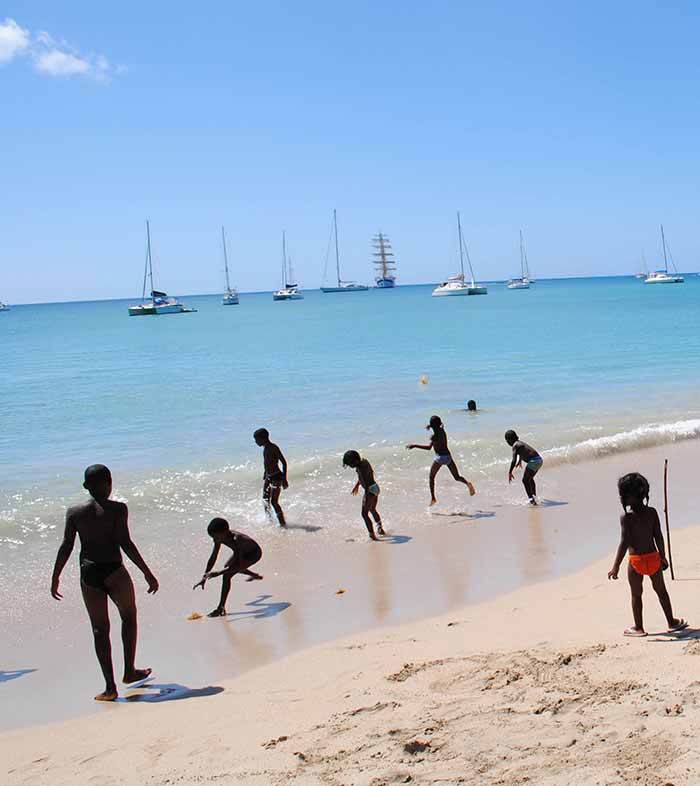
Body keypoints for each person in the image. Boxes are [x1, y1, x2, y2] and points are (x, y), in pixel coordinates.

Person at [50, 464, 159, 702]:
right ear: (110, 482)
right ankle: (129, 671)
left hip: (89, 574)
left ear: (85, 486)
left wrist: (56, 575)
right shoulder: (118, 509)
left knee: (100, 630)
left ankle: (110, 688)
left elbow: (66, 546)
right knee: (128, 617)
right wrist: (147, 572)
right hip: (114, 571)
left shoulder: (74, 512)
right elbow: (125, 543)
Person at [607, 473, 686, 637]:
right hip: (653, 559)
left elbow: (624, 542)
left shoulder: (626, 518)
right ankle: (671, 622)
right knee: (661, 591)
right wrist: (663, 556)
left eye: (623, 494)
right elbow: (659, 536)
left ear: (628, 497)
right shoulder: (652, 512)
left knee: (636, 594)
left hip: (636, 562)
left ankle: (638, 627)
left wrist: (616, 566)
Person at [193, 518, 263, 618]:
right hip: (240, 552)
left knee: (227, 574)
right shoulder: (219, 538)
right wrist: (204, 576)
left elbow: (239, 565)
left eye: (215, 537)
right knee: (228, 567)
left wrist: (218, 573)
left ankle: (220, 608)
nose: (214, 540)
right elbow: (213, 557)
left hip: (254, 554)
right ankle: (254, 575)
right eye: (212, 537)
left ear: (225, 532)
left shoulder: (237, 540)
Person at [407, 415, 476, 506]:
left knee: (431, 477)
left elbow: (429, 448)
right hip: (448, 456)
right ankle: (467, 483)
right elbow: (441, 424)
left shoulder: (434, 436)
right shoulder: (443, 431)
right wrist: (431, 426)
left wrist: (415, 445)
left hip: (440, 458)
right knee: (457, 477)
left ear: (432, 425)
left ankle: (433, 498)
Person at [343, 450, 386, 540]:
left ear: (354, 461)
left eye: (350, 464)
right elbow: (366, 477)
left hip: (369, 490)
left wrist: (366, 497)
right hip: (375, 487)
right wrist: (357, 485)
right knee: (373, 509)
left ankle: (372, 535)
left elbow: (365, 483)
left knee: (364, 513)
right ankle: (380, 528)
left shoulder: (360, 469)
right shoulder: (364, 462)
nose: (350, 466)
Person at [253, 428, 288, 527]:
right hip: (269, 477)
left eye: (257, 440)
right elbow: (267, 462)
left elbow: (284, 462)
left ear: (263, 438)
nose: (256, 442)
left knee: (274, 502)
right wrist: (265, 473)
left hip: (277, 477)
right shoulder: (265, 448)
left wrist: (284, 479)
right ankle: (270, 521)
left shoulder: (273, 448)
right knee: (265, 500)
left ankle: (283, 524)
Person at [505, 429, 543, 505]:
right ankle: (534, 497)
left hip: (534, 461)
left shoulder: (515, 445)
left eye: (507, 441)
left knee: (525, 480)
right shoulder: (520, 443)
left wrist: (510, 472)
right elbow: (525, 452)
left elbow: (513, 460)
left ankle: (532, 501)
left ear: (509, 440)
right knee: (529, 479)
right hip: (539, 460)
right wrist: (520, 461)